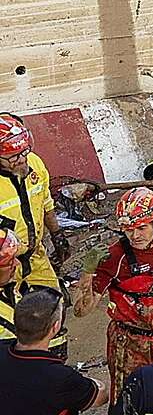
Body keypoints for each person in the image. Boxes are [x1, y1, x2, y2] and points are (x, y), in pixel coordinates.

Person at [73, 187, 153, 413]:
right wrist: (87, 271)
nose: (135, 236)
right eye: (129, 230)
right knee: (127, 401)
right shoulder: (114, 256)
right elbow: (81, 311)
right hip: (127, 340)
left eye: (141, 228)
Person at [0, 112, 72, 355]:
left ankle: (55, 362)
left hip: (35, 255)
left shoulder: (35, 164)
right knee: (11, 327)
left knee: (54, 307)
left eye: (24, 153)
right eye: (13, 157)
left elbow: (46, 203)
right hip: (5, 266)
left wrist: (57, 234)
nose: (22, 160)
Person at [0, 287, 107, 413]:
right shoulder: (61, 377)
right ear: (55, 327)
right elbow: (101, 397)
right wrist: (93, 382)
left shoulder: (3, 349)